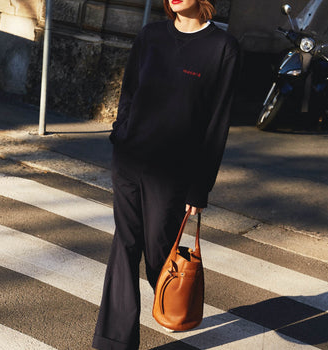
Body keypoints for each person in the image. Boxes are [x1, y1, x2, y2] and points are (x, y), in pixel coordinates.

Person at [92, 0, 240, 348]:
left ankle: (172, 301)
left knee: (160, 250)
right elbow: (129, 91)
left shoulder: (223, 48)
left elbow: (217, 123)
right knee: (125, 245)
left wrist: (199, 189)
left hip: (173, 174)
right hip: (130, 161)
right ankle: (113, 340)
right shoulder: (151, 35)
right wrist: (121, 133)